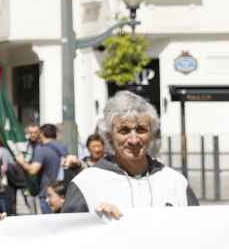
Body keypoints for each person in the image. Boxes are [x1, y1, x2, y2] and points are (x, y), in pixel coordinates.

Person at [65, 91, 197, 219]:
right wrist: (96, 222)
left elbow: (198, 231)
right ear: (109, 137)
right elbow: (68, 236)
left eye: (141, 130)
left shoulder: (175, 182)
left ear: (151, 134)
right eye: (124, 131)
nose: (134, 140)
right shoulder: (86, 184)